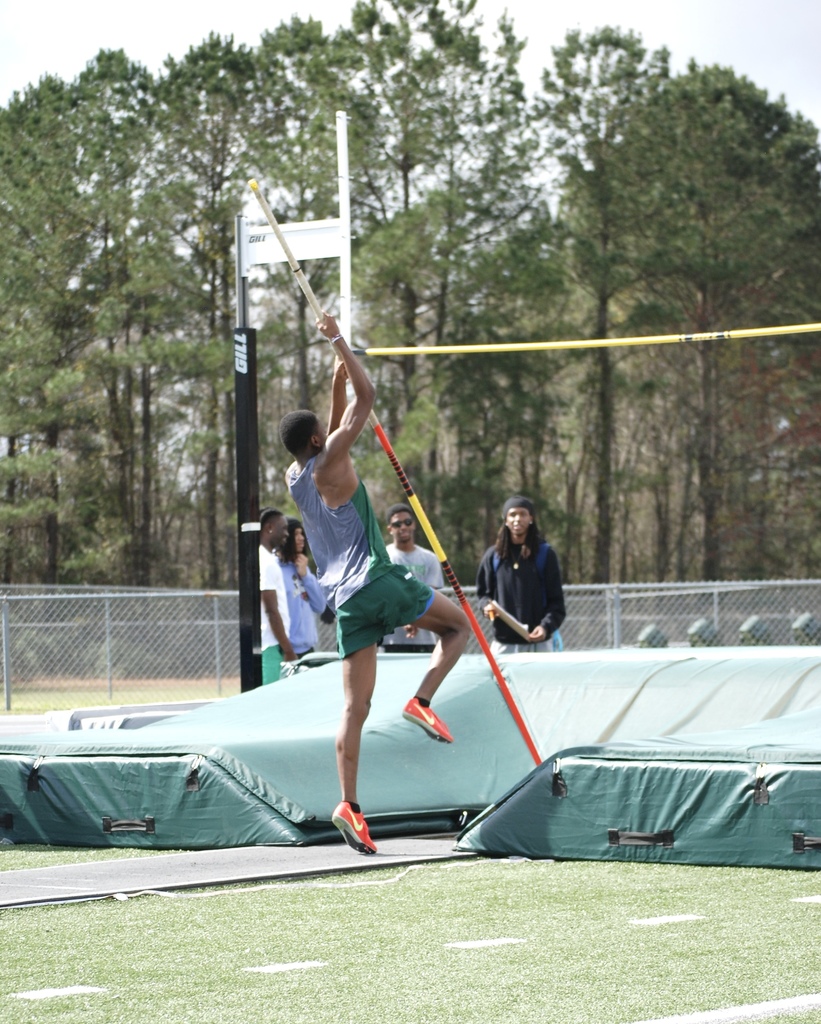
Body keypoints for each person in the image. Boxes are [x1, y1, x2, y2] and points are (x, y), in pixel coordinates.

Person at [279, 311, 470, 856]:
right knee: (458, 628)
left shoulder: (297, 475)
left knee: (353, 709)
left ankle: (350, 805)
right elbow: (367, 399)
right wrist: (339, 340)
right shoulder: (331, 458)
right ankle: (422, 700)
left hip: (346, 604)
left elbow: (338, 418)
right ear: (320, 437)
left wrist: (336, 380)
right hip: (376, 578)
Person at [476, 495, 566, 654]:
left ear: (531, 518)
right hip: (504, 644)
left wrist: (545, 627)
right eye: (512, 515)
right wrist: (486, 607)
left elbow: (557, 604)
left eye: (522, 514)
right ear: (505, 520)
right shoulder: (494, 556)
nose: (517, 519)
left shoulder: (545, 553)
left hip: (539, 644)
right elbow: (483, 595)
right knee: (499, 680)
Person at [381, 502, 444, 654]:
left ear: (414, 525)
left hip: (424, 638)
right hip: (391, 639)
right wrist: (404, 619)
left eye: (407, 522)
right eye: (397, 524)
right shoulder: (383, 558)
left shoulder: (429, 558)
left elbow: (431, 596)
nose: (403, 527)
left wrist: (415, 620)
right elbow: (384, 596)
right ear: (390, 529)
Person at [277, 516, 326, 658]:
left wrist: (305, 576)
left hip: (308, 650)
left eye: (302, 534)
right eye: (296, 534)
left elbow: (320, 606)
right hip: (287, 651)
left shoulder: (302, 567)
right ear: (285, 537)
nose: (301, 538)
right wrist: (286, 648)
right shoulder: (275, 569)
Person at [259, 507, 297, 683]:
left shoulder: (265, 559)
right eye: (283, 528)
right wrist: (288, 650)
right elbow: (271, 611)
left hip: (273, 644)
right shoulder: (266, 562)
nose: (287, 534)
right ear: (269, 528)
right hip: (272, 645)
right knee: (269, 704)